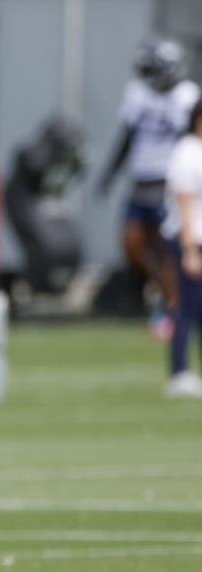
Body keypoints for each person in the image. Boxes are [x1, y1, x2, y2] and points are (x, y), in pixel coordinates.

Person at [98, 36, 200, 340]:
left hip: (170, 181)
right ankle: (168, 297)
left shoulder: (187, 95)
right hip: (140, 179)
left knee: (167, 249)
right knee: (132, 244)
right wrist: (110, 174)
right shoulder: (137, 92)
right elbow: (127, 136)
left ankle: (174, 307)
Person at [160, 98, 202, 397]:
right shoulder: (186, 152)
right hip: (190, 240)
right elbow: (183, 202)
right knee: (185, 306)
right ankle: (179, 372)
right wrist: (189, 249)